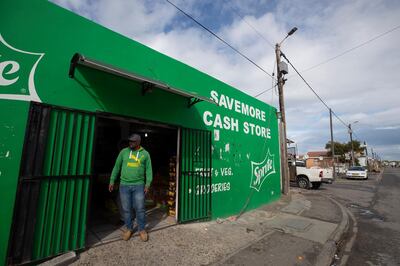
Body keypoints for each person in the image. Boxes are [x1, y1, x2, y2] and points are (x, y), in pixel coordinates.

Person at [109, 133, 153, 241]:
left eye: (133, 141)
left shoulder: (145, 154)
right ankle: (129, 229)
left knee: (140, 209)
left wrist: (148, 184)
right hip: (124, 185)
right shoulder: (123, 152)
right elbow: (116, 167)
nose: (130, 143)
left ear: (138, 142)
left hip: (139, 185)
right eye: (130, 141)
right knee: (126, 209)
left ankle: (142, 229)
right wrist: (112, 181)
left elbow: (149, 170)